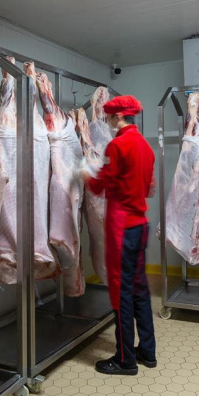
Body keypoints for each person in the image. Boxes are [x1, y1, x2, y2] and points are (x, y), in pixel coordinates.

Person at [82, 95, 156, 375]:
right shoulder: (145, 146)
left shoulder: (118, 145)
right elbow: (148, 187)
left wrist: (85, 173)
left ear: (117, 118)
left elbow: (100, 186)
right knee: (140, 290)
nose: (109, 122)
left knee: (120, 292)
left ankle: (125, 359)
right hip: (140, 224)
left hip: (121, 227)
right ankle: (147, 351)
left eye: (110, 118)